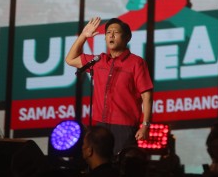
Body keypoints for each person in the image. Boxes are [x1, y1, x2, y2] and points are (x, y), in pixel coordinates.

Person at [65, 17, 153, 154]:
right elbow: (70, 59)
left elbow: (147, 96)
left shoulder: (136, 63)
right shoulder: (99, 61)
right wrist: (83, 36)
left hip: (124, 127)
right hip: (100, 125)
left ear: (127, 37)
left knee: (120, 168)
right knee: (99, 165)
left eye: (116, 32)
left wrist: (145, 125)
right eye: (108, 32)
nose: (111, 35)